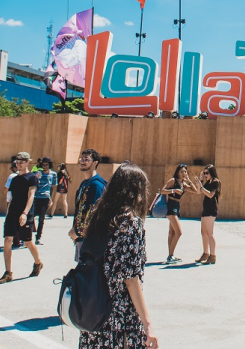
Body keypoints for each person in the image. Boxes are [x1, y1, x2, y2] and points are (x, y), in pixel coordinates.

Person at [79, 162, 159, 349]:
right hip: (119, 316)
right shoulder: (130, 224)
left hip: (94, 310)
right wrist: (147, 324)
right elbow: (130, 279)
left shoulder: (99, 217)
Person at [0, 152, 43, 283]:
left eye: (21, 162)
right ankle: (8, 273)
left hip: (25, 214)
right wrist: (8, 213)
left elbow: (31, 195)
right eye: (17, 162)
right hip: (12, 213)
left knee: (27, 242)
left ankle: (38, 262)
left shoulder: (32, 177)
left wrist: (25, 213)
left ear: (27, 162)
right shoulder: (14, 179)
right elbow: (12, 198)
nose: (18, 164)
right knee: (8, 240)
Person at [69, 149, 107, 261]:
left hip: (90, 239)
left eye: (86, 159)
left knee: (87, 268)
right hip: (81, 237)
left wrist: (78, 232)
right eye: (81, 159)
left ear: (95, 163)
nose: (82, 161)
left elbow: (94, 212)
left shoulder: (96, 185)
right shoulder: (85, 183)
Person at [159, 164, 193, 263]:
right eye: (182, 171)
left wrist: (189, 181)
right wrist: (174, 190)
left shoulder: (183, 184)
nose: (184, 173)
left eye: (185, 171)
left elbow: (195, 191)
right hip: (171, 206)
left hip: (177, 207)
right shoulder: (173, 180)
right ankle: (170, 256)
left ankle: (171, 255)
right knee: (179, 232)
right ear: (177, 172)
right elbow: (162, 191)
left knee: (172, 232)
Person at [192, 164, 220, 264]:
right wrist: (200, 182)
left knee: (209, 233)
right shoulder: (208, 182)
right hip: (206, 209)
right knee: (203, 232)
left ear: (212, 173)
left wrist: (201, 186)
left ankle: (212, 255)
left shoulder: (216, 182)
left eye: (207, 173)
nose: (205, 175)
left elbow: (210, 195)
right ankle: (205, 253)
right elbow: (199, 192)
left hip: (211, 209)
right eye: (204, 173)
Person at [31, 157, 57, 245]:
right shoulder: (38, 173)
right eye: (43, 165)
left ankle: (38, 237)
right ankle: (27, 236)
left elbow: (53, 187)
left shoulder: (53, 174)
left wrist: (51, 199)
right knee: (31, 216)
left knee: (41, 219)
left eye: (46, 165)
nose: (45, 166)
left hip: (45, 197)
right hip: (36, 197)